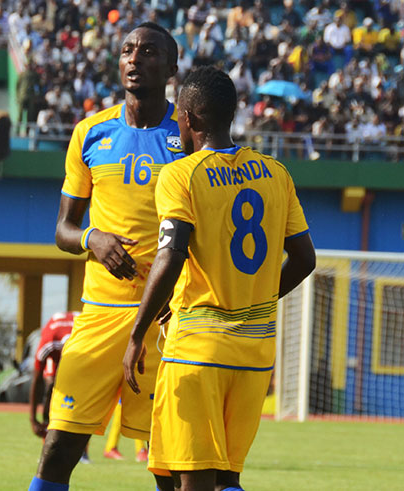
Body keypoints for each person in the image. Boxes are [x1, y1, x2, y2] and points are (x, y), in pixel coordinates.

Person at [123, 66, 316, 491]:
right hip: (256, 351)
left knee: (189, 476)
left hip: (199, 347)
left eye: (179, 115)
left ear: (190, 118)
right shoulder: (276, 174)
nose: (175, 121)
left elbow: (171, 255)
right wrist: (260, 297)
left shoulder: (181, 174)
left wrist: (137, 332)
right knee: (227, 477)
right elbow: (304, 258)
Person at [29, 22, 184, 491]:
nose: (135, 58)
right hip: (99, 317)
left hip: (166, 320)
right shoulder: (90, 132)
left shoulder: (189, 134)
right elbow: (63, 228)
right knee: (57, 451)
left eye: (150, 51)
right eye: (127, 50)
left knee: (170, 466)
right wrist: (92, 238)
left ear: (172, 68)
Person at [27, 312, 91, 464]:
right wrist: (33, 420)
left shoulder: (87, 343)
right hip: (58, 348)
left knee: (83, 398)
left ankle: (83, 452)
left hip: (82, 350)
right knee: (51, 390)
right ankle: (47, 448)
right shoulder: (48, 343)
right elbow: (37, 381)